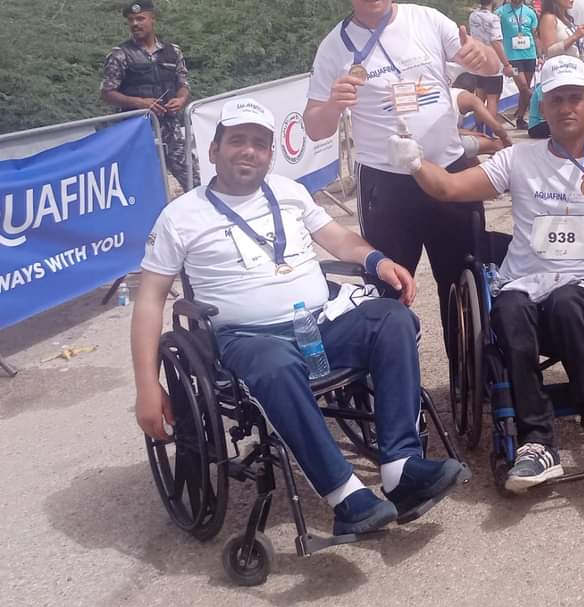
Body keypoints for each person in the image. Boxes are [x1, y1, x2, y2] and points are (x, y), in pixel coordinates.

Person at [131, 98, 466, 535]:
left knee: (392, 320)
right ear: (213, 150)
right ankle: (345, 497)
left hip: (318, 324)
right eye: (237, 141)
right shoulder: (180, 217)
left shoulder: (290, 192)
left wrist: (377, 260)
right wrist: (147, 385)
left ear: (270, 154)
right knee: (276, 366)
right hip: (249, 339)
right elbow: (150, 299)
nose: (248, 151)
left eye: (259, 143)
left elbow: (339, 239)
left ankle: (401, 468)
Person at [387, 56, 584, 490]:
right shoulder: (518, 158)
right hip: (522, 284)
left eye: (574, 98)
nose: (566, 107)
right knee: (509, 307)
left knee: (567, 301)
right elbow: (449, 188)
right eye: (556, 99)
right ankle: (536, 442)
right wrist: (414, 163)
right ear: (543, 106)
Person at [303, 0, 501, 350]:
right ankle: (397, 376)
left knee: (465, 283)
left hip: (449, 173)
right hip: (387, 183)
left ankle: (470, 377)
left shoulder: (426, 19)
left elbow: (490, 64)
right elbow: (315, 128)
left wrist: (482, 57)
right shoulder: (334, 46)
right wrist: (334, 104)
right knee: (389, 288)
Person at [101, 0, 195, 188]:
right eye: (131, 20)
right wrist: (139, 103)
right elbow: (107, 93)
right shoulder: (120, 54)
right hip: (137, 132)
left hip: (170, 130)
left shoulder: (172, 51)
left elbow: (183, 83)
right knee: (144, 187)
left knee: (194, 179)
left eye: (140, 18)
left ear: (153, 19)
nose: (135, 24)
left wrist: (181, 99)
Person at [525, 0, 584, 139]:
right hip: (559, 73)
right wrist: (574, 37)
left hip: (573, 72)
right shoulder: (549, 18)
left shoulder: (566, 19)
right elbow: (549, 51)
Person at [496, 0, 539, 130]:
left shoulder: (530, 12)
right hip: (512, 58)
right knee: (523, 86)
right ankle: (538, 105)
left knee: (524, 89)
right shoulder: (501, 12)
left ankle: (520, 117)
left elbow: (535, 35)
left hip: (529, 55)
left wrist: (539, 55)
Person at [468, 0, 512, 126]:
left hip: (478, 60)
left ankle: (479, 129)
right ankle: (490, 130)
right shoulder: (493, 18)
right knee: (493, 100)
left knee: (479, 99)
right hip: (492, 63)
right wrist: (506, 63)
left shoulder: (473, 16)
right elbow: (495, 42)